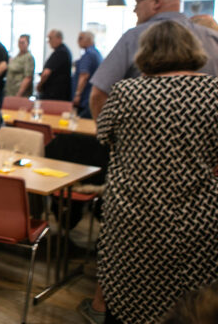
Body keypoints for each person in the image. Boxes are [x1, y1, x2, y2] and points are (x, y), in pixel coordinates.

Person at [95, 20, 218, 323]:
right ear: (193, 50)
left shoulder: (125, 92)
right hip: (196, 219)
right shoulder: (215, 92)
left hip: (132, 216)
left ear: (145, 52)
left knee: (127, 298)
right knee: (189, 305)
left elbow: (103, 135)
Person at [89, 0, 218, 119]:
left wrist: (107, 135)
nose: (134, 9)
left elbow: (98, 95)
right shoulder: (212, 38)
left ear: (156, 1)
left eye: (137, 3)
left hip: (141, 136)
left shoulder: (133, 37)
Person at [72, 31, 103, 118]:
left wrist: (77, 94)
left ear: (89, 39)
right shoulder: (96, 53)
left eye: (80, 38)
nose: (78, 41)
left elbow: (84, 76)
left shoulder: (88, 55)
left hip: (85, 98)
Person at [37, 29, 72, 101]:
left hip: (54, 94)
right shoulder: (63, 50)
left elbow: (46, 73)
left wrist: (39, 86)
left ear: (59, 38)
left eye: (50, 38)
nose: (48, 41)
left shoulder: (60, 52)